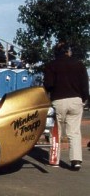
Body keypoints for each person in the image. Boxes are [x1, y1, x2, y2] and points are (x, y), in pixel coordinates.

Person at [43, 42, 88, 170]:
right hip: (76, 100)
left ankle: (54, 160)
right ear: (68, 51)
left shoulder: (51, 65)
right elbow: (85, 85)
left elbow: (48, 85)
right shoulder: (79, 64)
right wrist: (84, 98)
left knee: (56, 131)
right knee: (74, 132)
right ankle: (76, 160)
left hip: (58, 100)